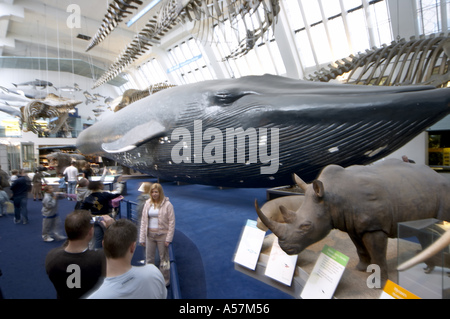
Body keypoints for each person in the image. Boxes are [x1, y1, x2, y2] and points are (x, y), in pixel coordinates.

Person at [85, 219, 167, 299]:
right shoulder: (153, 273)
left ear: (103, 244)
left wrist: (113, 231)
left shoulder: (97, 296)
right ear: (133, 247)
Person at [45, 210, 111, 299]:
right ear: (90, 232)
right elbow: (120, 255)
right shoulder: (100, 258)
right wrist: (111, 228)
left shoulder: (52, 257)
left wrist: (72, 231)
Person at [139, 183, 175, 286]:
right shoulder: (147, 203)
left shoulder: (168, 205)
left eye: (156, 192)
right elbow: (143, 221)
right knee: (149, 259)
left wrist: (169, 238)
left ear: (160, 192)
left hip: (162, 235)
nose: (154, 194)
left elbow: (172, 222)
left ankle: (165, 281)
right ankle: (150, 280)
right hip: (149, 235)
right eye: (152, 192)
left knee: (163, 260)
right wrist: (142, 238)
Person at [81, 180, 122, 248]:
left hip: (95, 219)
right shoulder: (105, 195)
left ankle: (98, 254)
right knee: (110, 236)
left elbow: (82, 209)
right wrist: (119, 186)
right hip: (107, 218)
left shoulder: (88, 198)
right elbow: (117, 194)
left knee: (98, 238)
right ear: (100, 186)